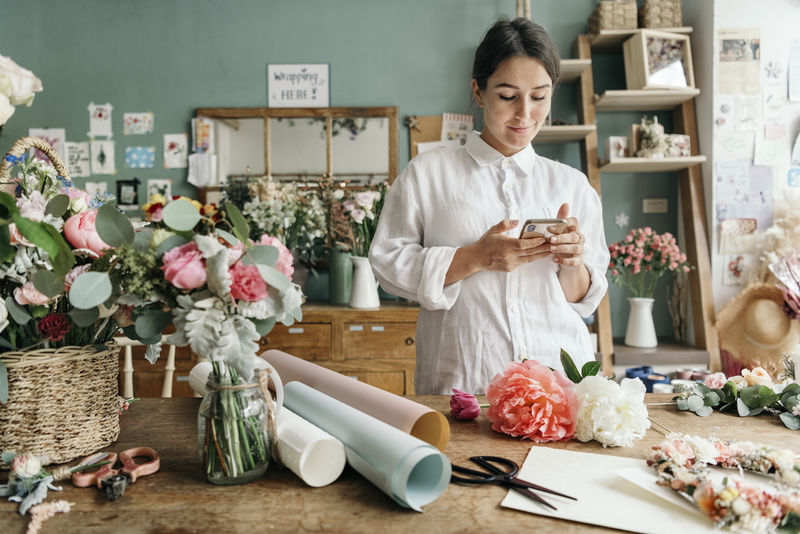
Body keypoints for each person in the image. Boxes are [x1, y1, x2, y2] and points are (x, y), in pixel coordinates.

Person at [369, 17, 609, 394]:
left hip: (559, 383)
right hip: (467, 380)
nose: (525, 114)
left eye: (539, 97)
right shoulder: (428, 174)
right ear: (478, 92)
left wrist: (573, 262)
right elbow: (387, 263)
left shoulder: (572, 185)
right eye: (508, 96)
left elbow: (582, 300)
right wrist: (476, 257)